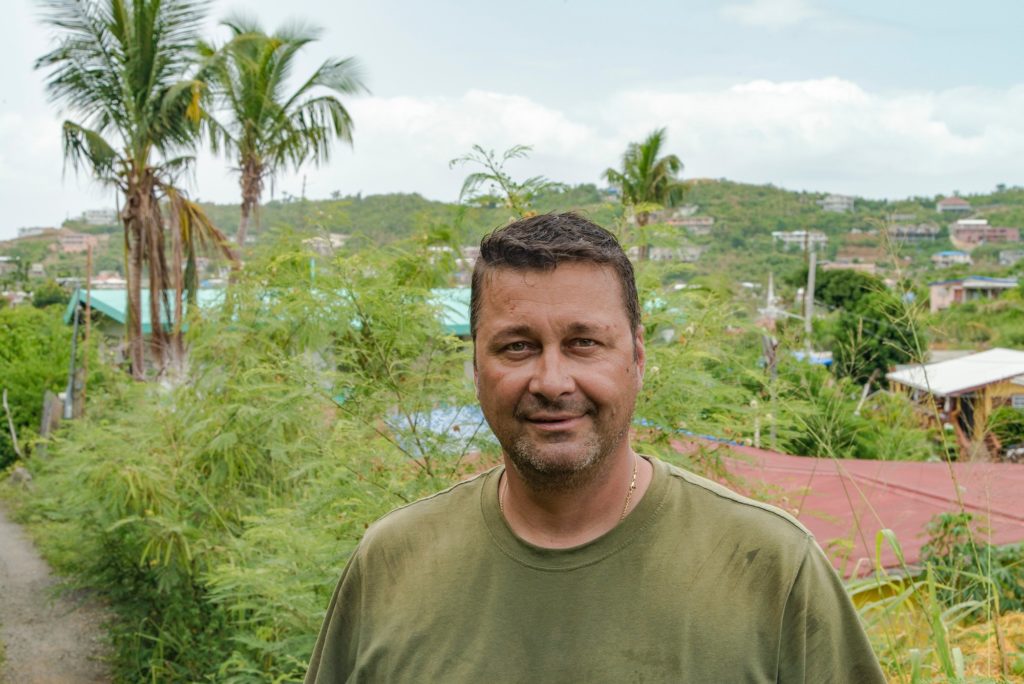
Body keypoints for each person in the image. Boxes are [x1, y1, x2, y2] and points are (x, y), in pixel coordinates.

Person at [305, 212, 886, 683]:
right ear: (475, 365)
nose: (552, 381)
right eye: (516, 347)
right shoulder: (391, 564)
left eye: (584, 343)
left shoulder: (770, 569)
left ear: (636, 356)